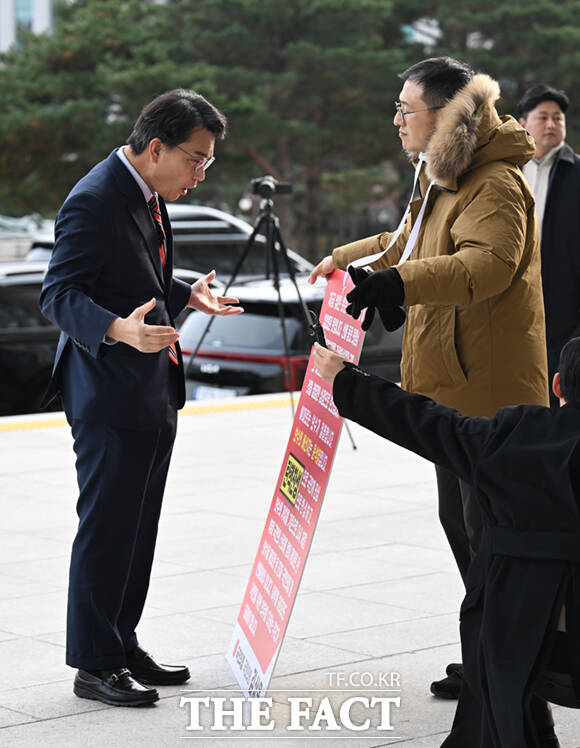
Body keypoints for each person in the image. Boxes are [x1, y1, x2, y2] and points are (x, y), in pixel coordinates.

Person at [308, 57, 549, 699]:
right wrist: (348, 259)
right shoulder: (446, 175)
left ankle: (505, 666)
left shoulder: (493, 183)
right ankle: (489, 656)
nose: (396, 122)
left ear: (443, 116)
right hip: (453, 383)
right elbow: (411, 241)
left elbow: (485, 266)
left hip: (487, 394)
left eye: (404, 110)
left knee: (487, 532)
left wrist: (396, 282)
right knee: (463, 524)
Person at [40, 89, 243, 707]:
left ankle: (121, 641)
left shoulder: (147, 191)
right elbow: (59, 293)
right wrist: (120, 329)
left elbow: (137, 275)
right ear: (156, 148)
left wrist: (184, 294)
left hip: (151, 389)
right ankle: (94, 664)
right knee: (106, 529)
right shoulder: (95, 199)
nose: (201, 174)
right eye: (196, 160)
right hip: (108, 394)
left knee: (138, 527)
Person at [313, 338, 580, 748]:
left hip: (525, 658)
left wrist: (345, 380)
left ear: (558, 386)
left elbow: (426, 422)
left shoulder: (515, 438)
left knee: (505, 609)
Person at [518, 84, 580, 406]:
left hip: (564, 307)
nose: (552, 124)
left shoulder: (576, 172)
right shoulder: (509, 171)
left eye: (558, 118)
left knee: (559, 394)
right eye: (542, 117)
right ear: (523, 123)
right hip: (514, 300)